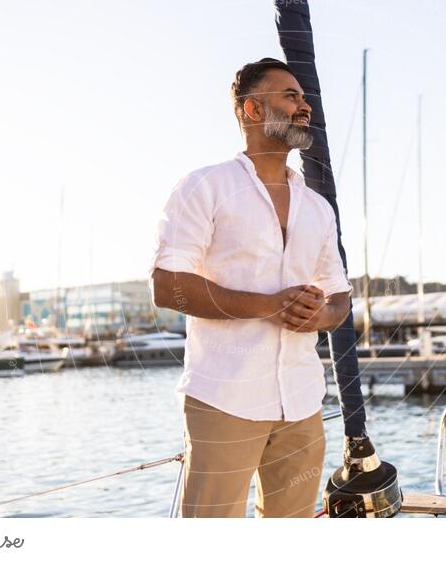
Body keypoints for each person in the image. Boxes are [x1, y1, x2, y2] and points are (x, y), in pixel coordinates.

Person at [150, 58, 352, 518]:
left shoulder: (317, 207)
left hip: (301, 402)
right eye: (291, 96)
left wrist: (320, 316)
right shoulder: (205, 187)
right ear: (254, 110)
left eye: (304, 98)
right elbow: (168, 287)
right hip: (225, 399)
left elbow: (339, 297)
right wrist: (267, 305)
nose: (305, 107)